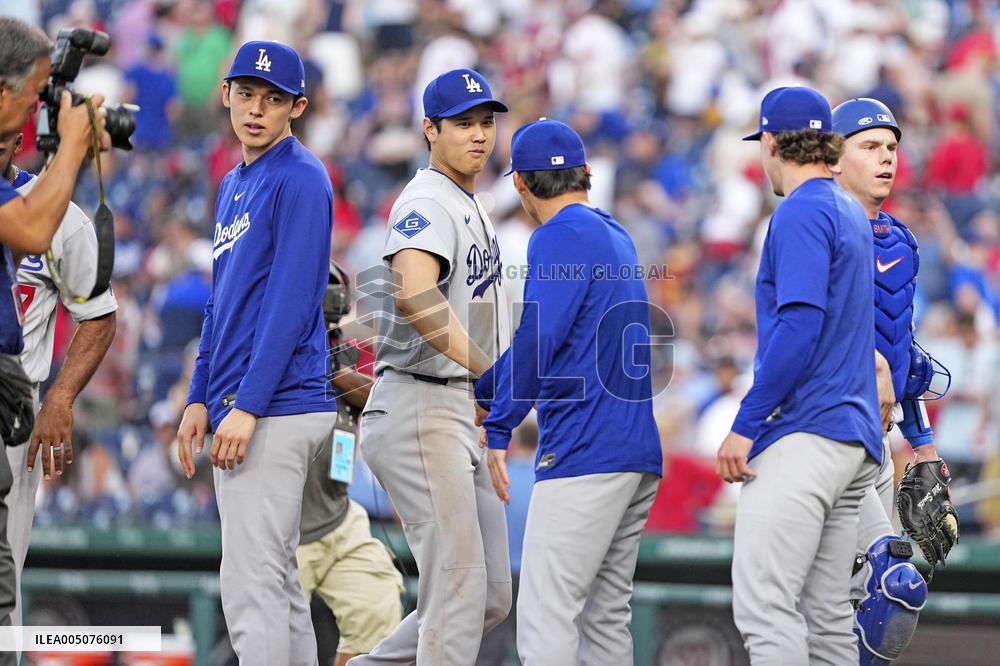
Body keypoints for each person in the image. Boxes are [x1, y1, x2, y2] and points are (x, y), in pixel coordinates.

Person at [474, 119, 662, 666]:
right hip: (634, 452)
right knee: (604, 622)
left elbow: (542, 337)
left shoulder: (558, 234)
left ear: (521, 186)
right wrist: (487, 387)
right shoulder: (614, 233)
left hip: (584, 452)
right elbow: (561, 337)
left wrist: (499, 424)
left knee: (546, 616)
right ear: (585, 174)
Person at [176, 40, 337, 666]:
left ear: (296, 107)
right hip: (254, 397)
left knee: (250, 587)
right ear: (226, 95)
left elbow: (294, 301)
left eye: (273, 99)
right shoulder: (234, 182)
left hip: (278, 400)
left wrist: (244, 403)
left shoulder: (300, 176)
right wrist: (198, 394)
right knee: (275, 582)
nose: (256, 109)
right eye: (246, 93)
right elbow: (226, 302)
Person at [350, 67, 512, 665]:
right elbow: (417, 294)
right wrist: (485, 368)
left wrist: (480, 390)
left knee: (489, 591)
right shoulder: (426, 199)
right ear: (429, 129)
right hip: (420, 401)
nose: (478, 135)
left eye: (486, 123)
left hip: (450, 403)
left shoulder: (469, 202)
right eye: (463, 123)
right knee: (461, 587)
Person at [716, 87, 882, 664]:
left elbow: (799, 328)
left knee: (765, 609)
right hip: (852, 439)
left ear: (770, 142)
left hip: (807, 431)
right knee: (828, 616)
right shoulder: (849, 211)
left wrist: (746, 422)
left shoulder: (802, 208)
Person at [832, 98, 956, 665]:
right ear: (833, 156)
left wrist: (924, 445)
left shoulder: (899, 239)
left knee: (866, 606)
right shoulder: (816, 225)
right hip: (824, 431)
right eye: (869, 146)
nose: (886, 158)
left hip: (877, 441)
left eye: (891, 148)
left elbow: (902, 352)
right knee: (872, 593)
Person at [0, 128, 118, 629]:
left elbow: (99, 314)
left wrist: (61, 397)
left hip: (9, 407)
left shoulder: (59, 216)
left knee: (3, 573)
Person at [296, 262, 403, 666]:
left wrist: (336, 370)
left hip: (338, 519)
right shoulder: (269, 352)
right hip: (285, 534)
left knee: (378, 610)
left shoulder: (341, 359)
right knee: (276, 643)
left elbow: (382, 399)